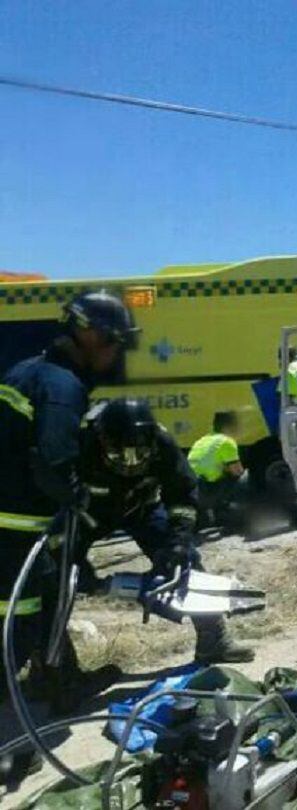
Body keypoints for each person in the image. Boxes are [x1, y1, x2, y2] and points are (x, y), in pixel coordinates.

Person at [0, 291, 138, 784]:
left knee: (30, 620)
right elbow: (53, 460)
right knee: (17, 631)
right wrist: (79, 496)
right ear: (90, 335)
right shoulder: (63, 386)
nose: (116, 355)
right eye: (115, 343)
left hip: (10, 524)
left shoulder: (26, 370)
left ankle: (57, 682)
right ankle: (11, 744)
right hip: (17, 530)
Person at [79, 399, 254, 664]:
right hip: (87, 515)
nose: (129, 465)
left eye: (139, 455)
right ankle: (53, 666)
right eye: (120, 456)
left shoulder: (162, 443)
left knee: (188, 563)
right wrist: (72, 556)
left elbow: (183, 494)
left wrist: (180, 540)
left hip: (142, 508)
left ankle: (213, 640)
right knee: (59, 576)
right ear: (103, 441)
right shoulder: (80, 445)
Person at [187, 411, 249, 532]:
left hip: (190, 489)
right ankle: (235, 518)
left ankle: (206, 517)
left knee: (221, 475)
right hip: (205, 490)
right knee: (244, 477)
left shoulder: (202, 440)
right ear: (228, 426)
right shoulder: (226, 441)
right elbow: (237, 472)